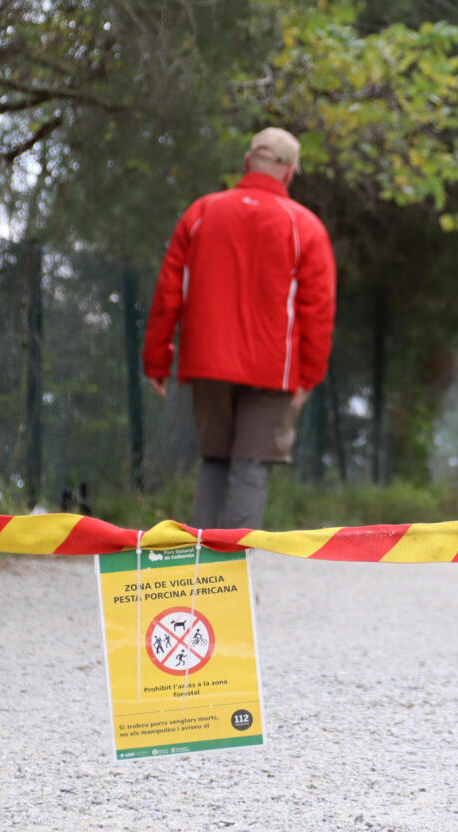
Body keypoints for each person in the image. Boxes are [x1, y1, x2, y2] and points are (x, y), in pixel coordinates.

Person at [142, 127, 336, 530]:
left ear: (248, 161)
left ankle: (206, 576)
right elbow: (317, 310)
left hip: (207, 361)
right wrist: (309, 375)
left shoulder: (202, 212)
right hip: (274, 370)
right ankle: (233, 576)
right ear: (290, 172)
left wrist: (157, 358)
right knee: (250, 466)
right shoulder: (305, 227)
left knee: (215, 459)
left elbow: (168, 292)